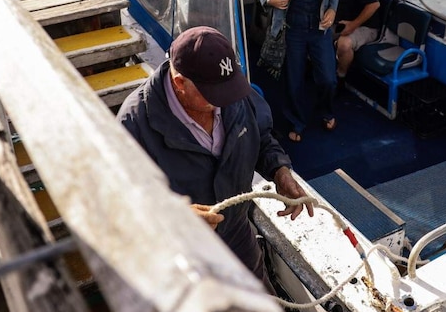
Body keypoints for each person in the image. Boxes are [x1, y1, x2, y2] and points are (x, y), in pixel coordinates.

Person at [117, 26, 313, 291]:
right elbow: (123, 203)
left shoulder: (231, 93)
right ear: (180, 84)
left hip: (237, 232)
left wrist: (279, 170)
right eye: (214, 95)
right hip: (181, 255)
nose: (225, 101)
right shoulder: (133, 124)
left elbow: (262, 136)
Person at [257, 0, 340, 142]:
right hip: (292, 30)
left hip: (319, 30)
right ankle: (296, 121)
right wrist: (270, 0)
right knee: (294, 80)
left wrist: (332, 9)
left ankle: (326, 110)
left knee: (328, 79)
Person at [328, 0, 381, 82]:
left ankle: (341, 76)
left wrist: (353, 25)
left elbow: (374, 5)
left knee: (344, 44)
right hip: (341, 22)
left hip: (365, 27)